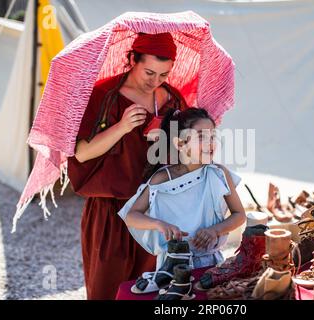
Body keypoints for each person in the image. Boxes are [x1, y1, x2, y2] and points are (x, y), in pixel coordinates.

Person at [67, 32, 187, 300]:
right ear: (132, 59)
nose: (155, 81)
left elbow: (188, 155)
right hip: (111, 210)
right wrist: (122, 127)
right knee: (107, 290)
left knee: (153, 290)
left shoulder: (173, 100)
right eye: (149, 72)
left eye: (163, 75)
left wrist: (170, 140)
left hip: (158, 211)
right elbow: (82, 154)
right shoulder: (103, 95)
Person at [117, 107, 246, 277]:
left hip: (211, 264)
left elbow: (239, 215)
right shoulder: (162, 179)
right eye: (201, 137)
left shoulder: (219, 174)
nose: (210, 142)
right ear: (180, 144)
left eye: (212, 136)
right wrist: (159, 224)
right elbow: (132, 216)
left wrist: (215, 230)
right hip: (171, 266)